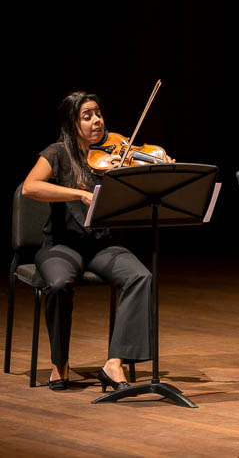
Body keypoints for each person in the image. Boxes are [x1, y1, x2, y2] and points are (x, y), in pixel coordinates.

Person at [22, 91, 174, 392]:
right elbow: (30, 187)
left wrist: (160, 167)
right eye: (87, 116)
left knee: (140, 276)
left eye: (99, 114)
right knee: (59, 284)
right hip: (60, 246)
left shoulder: (114, 154)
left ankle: (114, 362)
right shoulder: (58, 153)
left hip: (101, 245)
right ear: (71, 122)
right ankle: (59, 363)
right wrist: (77, 193)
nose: (97, 121)